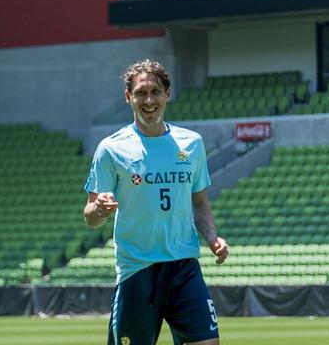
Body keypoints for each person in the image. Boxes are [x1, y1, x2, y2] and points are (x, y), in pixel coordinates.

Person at [83, 59, 228, 345]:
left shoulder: (192, 143)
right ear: (128, 97)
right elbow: (89, 215)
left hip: (184, 265)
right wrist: (98, 208)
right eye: (140, 93)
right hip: (138, 270)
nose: (148, 100)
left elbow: (199, 202)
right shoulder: (111, 149)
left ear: (167, 93)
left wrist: (211, 236)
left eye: (155, 92)